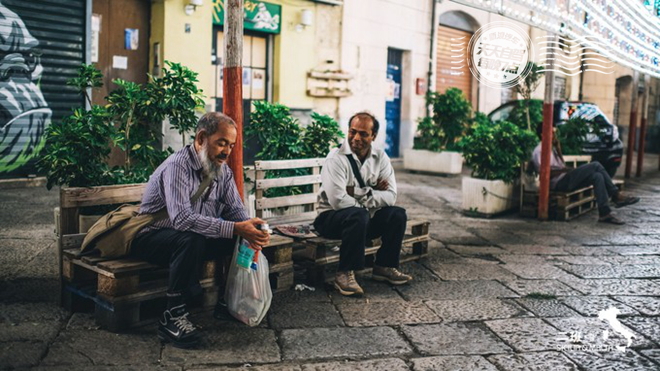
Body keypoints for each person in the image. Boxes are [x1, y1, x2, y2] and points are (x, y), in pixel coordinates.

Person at [131, 112, 270, 348]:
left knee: (238, 237)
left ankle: (228, 302)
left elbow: (235, 210)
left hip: (190, 238)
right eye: (222, 143)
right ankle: (172, 316)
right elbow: (182, 220)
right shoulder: (178, 166)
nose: (227, 151)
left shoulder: (222, 171)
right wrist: (236, 227)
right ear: (201, 138)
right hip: (150, 238)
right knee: (190, 239)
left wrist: (251, 228)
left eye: (231, 145)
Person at [314, 112, 412, 297]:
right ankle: (344, 273)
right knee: (359, 216)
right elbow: (338, 200)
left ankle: (384, 266)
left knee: (397, 214)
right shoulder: (336, 158)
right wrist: (372, 191)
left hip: (362, 218)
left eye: (363, 134)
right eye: (352, 132)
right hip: (330, 219)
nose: (356, 138)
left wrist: (358, 192)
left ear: (373, 136)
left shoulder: (381, 158)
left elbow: (391, 196)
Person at [532, 133, 639, 224]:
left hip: (565, 178)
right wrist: (566, 171)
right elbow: (545, 173)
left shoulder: (551, 148)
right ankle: (616, 195)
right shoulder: (539, 151)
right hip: (559, 183)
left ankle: (604, 213)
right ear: (543, 133)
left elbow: (561, 166)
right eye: (552, 131)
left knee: (598, 177)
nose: (554, 135)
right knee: (596, 165)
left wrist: (558, 149)